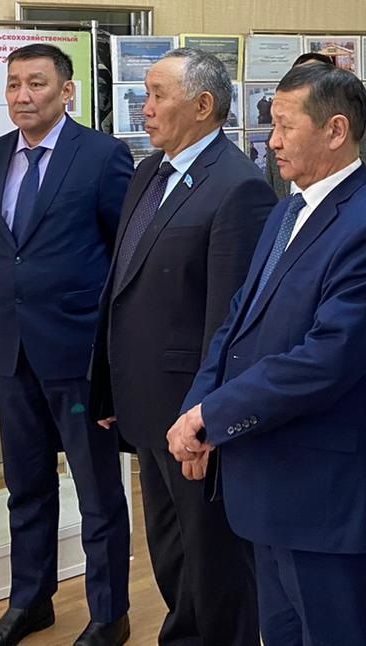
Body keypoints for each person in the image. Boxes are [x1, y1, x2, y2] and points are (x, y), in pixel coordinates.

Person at [167, 63, 366, 646]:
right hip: (268, 482)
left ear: (335, 130)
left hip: (325, 496)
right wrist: (197, 410)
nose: (271, 141)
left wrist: (214, 415)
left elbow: (325, 360)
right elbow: (237, 322)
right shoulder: (286, 211)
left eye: (284, 126)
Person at [89, 48, 275, 646]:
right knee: (171, 551)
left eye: (157, 95)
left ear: (202, 105)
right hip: (145, 405)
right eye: (145, 94)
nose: (144, 108)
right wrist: (108, 386)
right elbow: (122, 287)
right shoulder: (149, 172)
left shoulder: (239, 187)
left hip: (192, 413)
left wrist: (209, 415)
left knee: (214, 563)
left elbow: (231, 324)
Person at [0, 43, 133, 646]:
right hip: (12, 351)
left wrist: (112, 354)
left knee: (97, 493)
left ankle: (109, 615)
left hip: (78, 355)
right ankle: (30, 601)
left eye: (36, 83)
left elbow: (125, 255)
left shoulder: (101, 156)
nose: (23, 96)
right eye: (13, 84)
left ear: (67, 92)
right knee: (26, 486)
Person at [263, 52, 366, 199]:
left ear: (336, 131)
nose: (274, 143)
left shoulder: (352, 136)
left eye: (287, 126)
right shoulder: (287, 209)